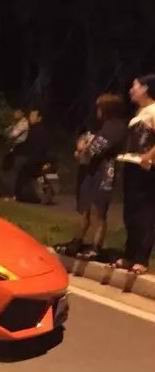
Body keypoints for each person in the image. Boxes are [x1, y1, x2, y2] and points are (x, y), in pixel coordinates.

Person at [57, 94, 127, 259]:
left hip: (104, 173)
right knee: (86, 208)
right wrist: (84, 148)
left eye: (99, 108)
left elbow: (95, 149)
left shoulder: (115, 128)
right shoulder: (105, 126)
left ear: (107, 109)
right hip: (93, 170)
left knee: (98, 210)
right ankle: (77, 241)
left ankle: (96, 247)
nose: (97, 111)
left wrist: (84, 148)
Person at [113, 75, 155, 275]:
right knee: (130, 213)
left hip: (146, 168)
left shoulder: (154, 110)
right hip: (132, 164)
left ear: (146, 88)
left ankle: (141, 258)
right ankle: (129, 254)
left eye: (135, 86)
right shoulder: (141, 111)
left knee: (145, 212)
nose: (131, 90)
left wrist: (149, 156)